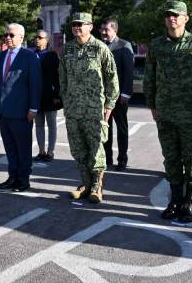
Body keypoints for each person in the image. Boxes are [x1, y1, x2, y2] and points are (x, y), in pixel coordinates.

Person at [144, 0, 192, 223]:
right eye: (168, 15)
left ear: (186, 18)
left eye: (176, 15)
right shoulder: (156, 45)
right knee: (171, 159)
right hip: (165, 114)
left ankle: (190, 201)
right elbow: (149, 78)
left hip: (190, 115)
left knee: (191, 159)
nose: (172, 18)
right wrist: (152, 106)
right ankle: (175, 200)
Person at [60, 13, 119, 203]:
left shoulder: (100, 48)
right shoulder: (67, 49)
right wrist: (66, 100)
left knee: (96, 150)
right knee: (78, 149)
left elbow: (112, 79)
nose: (76, 27)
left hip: (94, 110)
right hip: (73, 109)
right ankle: (84, 183)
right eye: (74, 24)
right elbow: (63, 78)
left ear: (90, 26)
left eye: (81, 24)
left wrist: (109, 105)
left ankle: (96, 187)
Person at [0, 23, 42, 192]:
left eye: (11, 35)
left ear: (21, 37)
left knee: (23, 148)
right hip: (3, 111)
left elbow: (35, 84)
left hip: (21, 112)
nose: (8, 37)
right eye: (6, 34)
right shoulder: (0, 56)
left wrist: (33, 108)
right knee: (9, 147)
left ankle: (23, 179)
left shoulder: (29, 57)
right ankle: (12, 176)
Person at [100, 19, 135, 171]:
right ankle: (107, 158)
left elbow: (129, 72)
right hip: (103, 96)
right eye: (102, 29)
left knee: (121, 129)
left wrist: (126, 93)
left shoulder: (124, 45)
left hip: (119, 96)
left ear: (115, 30)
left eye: (106, 29)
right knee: (105, 127)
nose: (103, 32)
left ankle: (122, 159)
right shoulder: (100, 46)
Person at [32, 30, 62, 162]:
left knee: (51, 125)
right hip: (36, 95)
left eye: (40, 37)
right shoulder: (31, 55)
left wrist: (57, 95)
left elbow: (57, 77)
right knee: (38, 125)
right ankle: (41, 151)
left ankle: (50, 151)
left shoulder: (52, 55)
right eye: (36, 37)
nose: (37, 39)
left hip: (50, 95)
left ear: (47, 40)